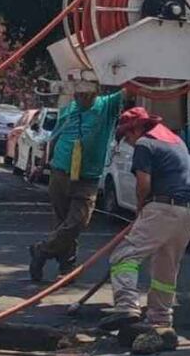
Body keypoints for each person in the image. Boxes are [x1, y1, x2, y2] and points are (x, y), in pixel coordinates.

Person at [100, 107, 190, 352]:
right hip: (187, 211)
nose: (128, 142)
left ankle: (126, 307)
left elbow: (144, 183)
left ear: (135, 129)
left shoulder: (145, 143)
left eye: (126, 136)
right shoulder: (175, 140)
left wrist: (141, 208)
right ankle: (161, 320)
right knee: (166, 267)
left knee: (124, 256)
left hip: (162, 206)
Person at [29, 84, 125, 281]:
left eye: (85, 93)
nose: (81, 97)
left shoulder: (107, 105)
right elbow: (56, 136)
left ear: (95, 92)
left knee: (78, 222)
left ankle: (42, 250)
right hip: (61, 170)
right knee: (62, 223)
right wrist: (44, 165)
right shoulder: (69, 108)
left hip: (87, 176)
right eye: (78, 93)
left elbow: (129, 87)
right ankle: (67, 268)